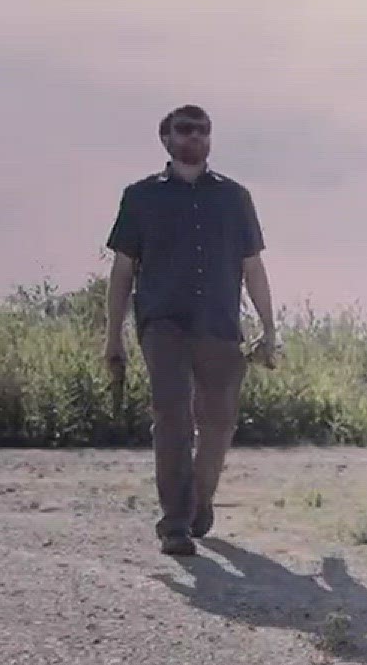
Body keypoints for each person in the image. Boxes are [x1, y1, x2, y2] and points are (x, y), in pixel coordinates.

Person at [102, 105, 280, 556]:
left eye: (203, 130)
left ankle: (199, 500)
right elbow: (123, 271)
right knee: (174, 418)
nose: (195, 137)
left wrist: (270, 328)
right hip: (163, 324)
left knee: (219, 423)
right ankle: (175, 523)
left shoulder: (234, 198)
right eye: (185, 129)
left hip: (220, 324)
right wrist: (113, 337)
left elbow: (253, 266)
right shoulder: (140, 197)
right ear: (166, 138)